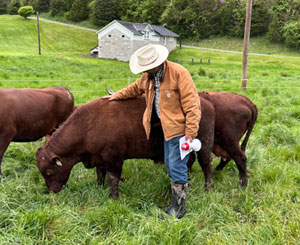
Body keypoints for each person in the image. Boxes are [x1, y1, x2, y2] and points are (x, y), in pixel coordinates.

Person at [110, 44, 201, 218]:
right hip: (165, 129)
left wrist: (190, 131)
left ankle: (179, 208)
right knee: (169, 162)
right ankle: (176, 199)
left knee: (176, 165)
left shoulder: (178, 73)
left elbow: (192, 104)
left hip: (179, 129)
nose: (144, 71)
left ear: (157, 63)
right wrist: (116, 96)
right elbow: (134, 89)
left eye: (146, 67)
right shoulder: (148, 77)